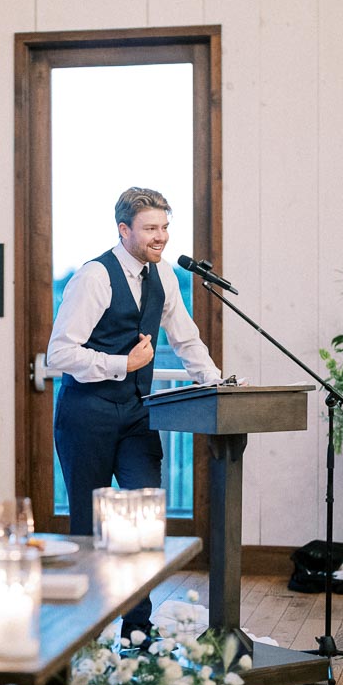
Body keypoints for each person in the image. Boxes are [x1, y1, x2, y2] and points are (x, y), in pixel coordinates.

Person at [47, 187, 222, 644]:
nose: (160, 236)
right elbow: (59, 353)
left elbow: (185, 337)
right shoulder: (94, 277)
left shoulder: (162, 273)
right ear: (123, 230)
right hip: (86, 413)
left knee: (144, 516)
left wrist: (214, 380)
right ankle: (87, 631)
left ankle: (137, 628)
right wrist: (121, 365)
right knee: (89, 525)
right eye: (150, 228)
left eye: (164, 227)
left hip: (137, 414)